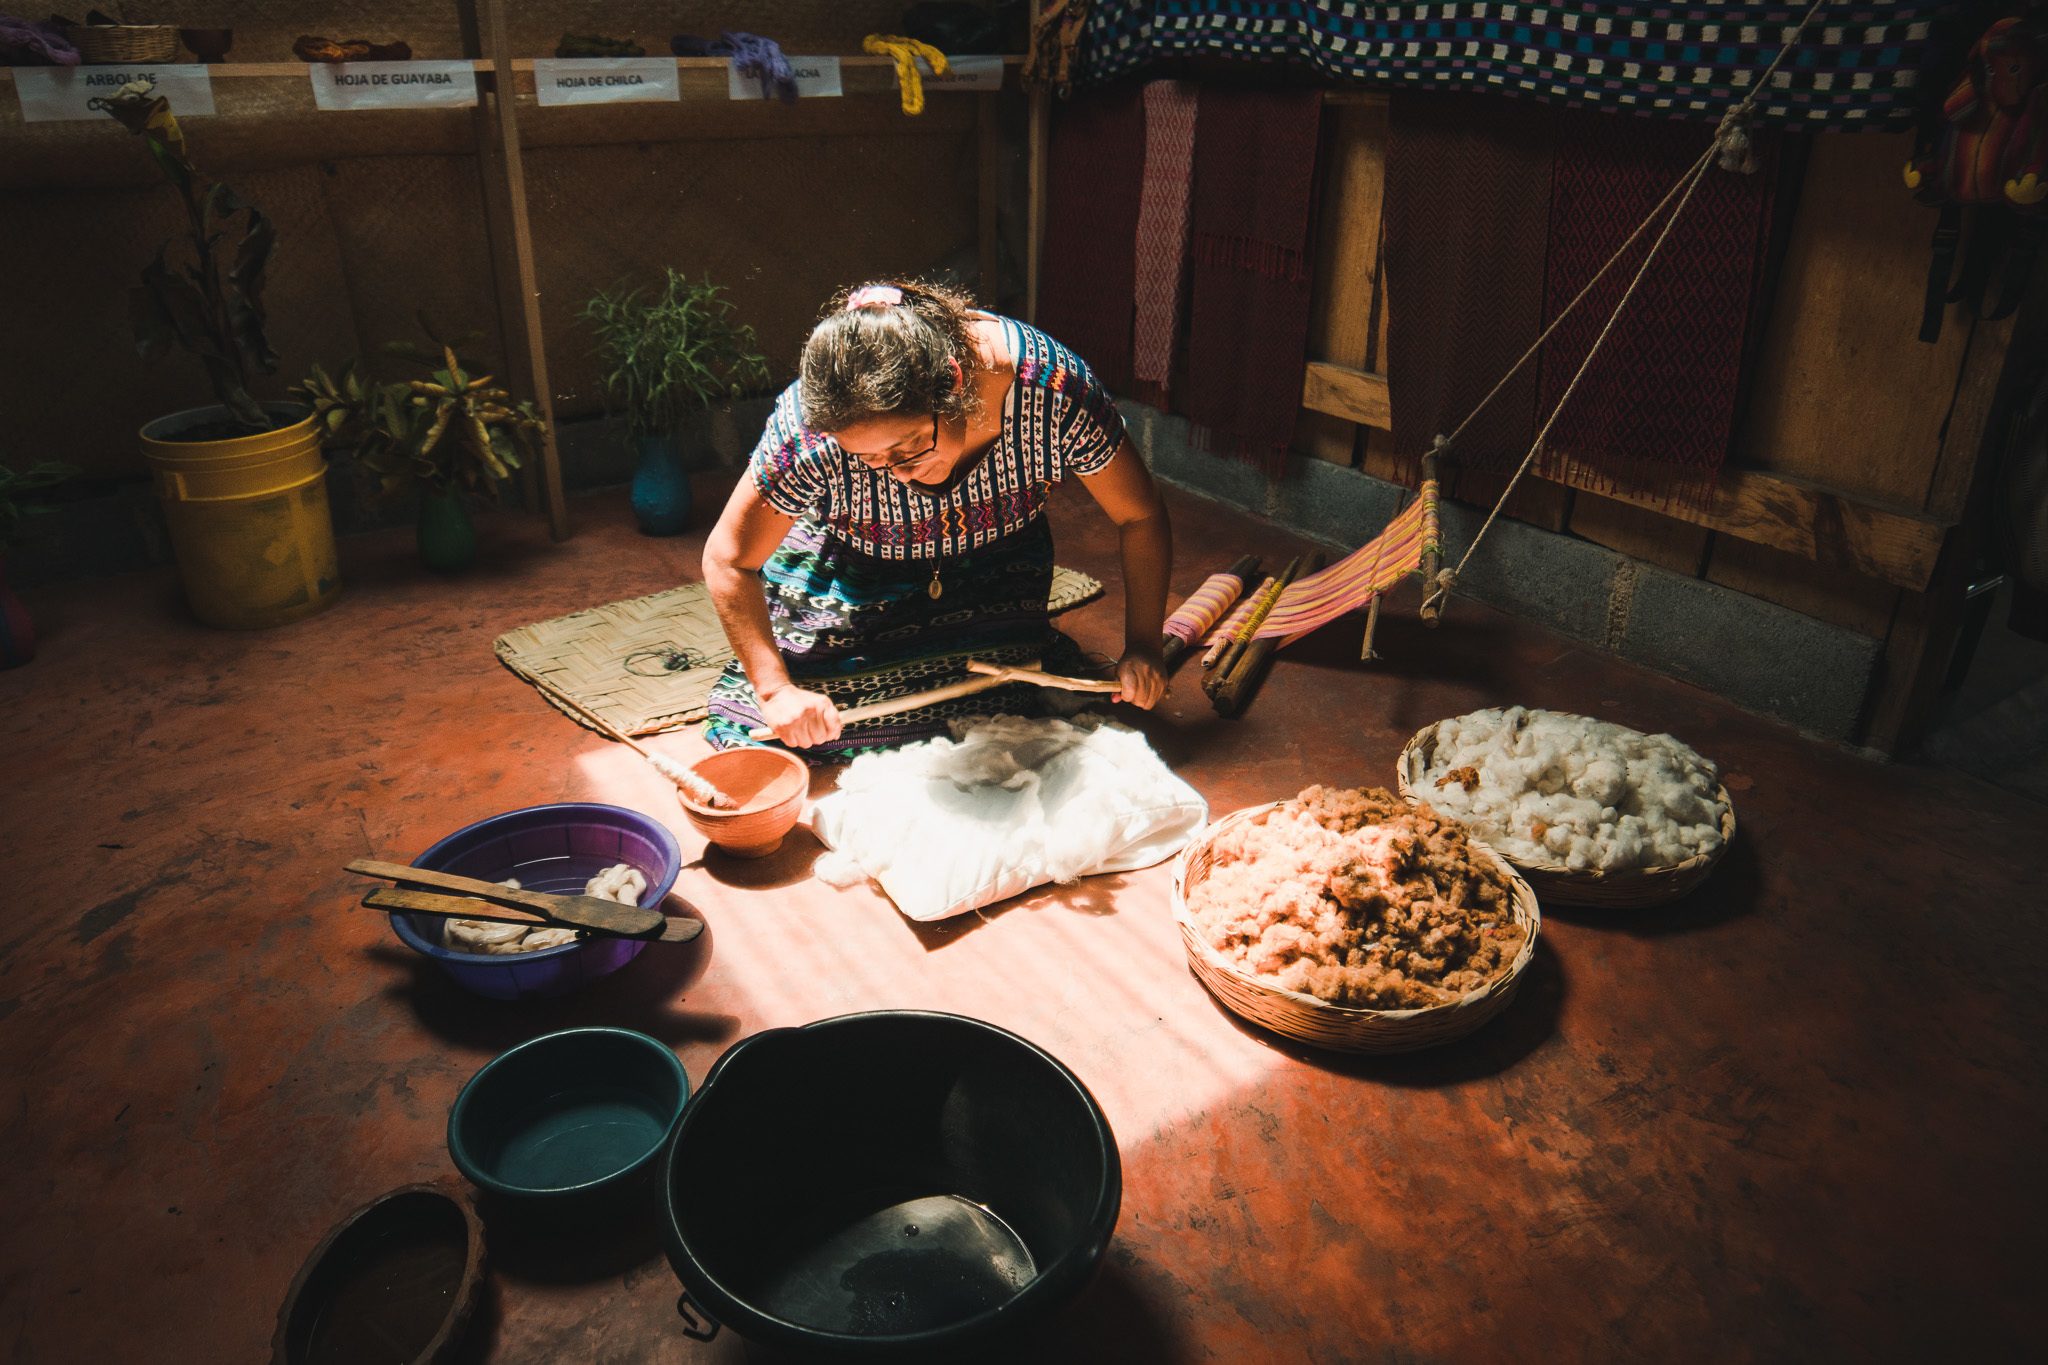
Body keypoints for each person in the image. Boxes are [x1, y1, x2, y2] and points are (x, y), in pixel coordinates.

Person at [701, 278, 1171, 759]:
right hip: (858, 575)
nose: (900, 474)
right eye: (872, 460)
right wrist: (777, 691)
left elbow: (1140, 515)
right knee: (810, 717)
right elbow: (727, 559)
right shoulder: (810, 433)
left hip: (998, 571)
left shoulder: (1052, 392)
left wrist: (1143, 646)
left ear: (954, 381)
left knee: (1006, 694)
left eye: (909, 448)